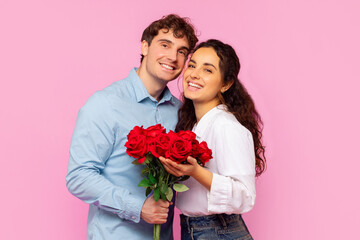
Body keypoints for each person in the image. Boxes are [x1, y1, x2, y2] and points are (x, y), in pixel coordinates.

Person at [66, 14, 198, 240]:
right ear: (145, 46)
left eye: (182, 51)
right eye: (164, 45)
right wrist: (137, 207)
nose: (173, 57)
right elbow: (78, 177)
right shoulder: (104, 104)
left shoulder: (181, 112)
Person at [159, 39, 266, 240]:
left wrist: (197, 172)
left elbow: (245, 196)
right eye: (192, 65)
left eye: (208, 70)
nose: (194, 74)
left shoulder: (226, 126)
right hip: (194, 230)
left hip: (218, 232)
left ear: (226, 84)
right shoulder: (191, 125)